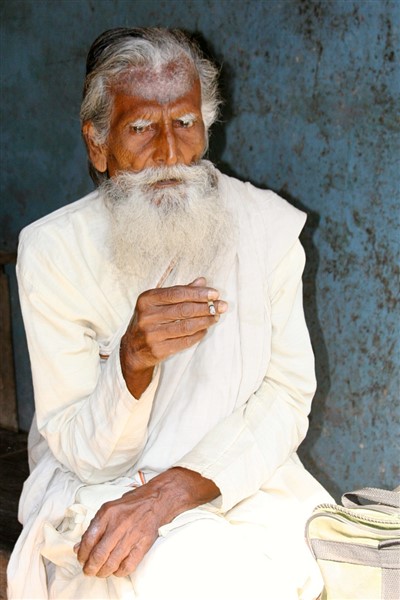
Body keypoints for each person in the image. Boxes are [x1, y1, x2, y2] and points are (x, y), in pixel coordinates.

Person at [8, 27, 332, 600]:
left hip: (240, 478)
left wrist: (176, 490)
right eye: (140, 127)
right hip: (100, 487)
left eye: (184, 121)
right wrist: (131, 363)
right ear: (97, 144)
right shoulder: (53, 253)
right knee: (171, 572)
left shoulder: (265, 228)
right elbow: (82, 455)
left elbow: (286, 395)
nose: (167, 151)